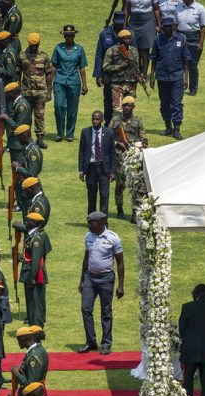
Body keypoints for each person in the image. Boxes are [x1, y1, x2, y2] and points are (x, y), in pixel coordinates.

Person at [78, 212, 124, 355]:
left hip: (106, 279)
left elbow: (120, 263)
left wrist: (121, 285)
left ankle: (106, 344)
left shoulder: (113, 238)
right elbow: (86, 259)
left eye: (91, 222)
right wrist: (82, 280)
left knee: (106, 311)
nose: (89, 225)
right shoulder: (88, 236)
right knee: (85, 308)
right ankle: (91, 342)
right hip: (90, 278)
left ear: (101, 223)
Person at [150, 17, 190, 140]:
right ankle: (168, 127)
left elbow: (186, 60)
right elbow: (154, 59)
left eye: (169, 26)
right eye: (165, 26)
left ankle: (177, 129)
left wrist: (185, 78)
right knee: (164, 104)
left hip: (177, 76)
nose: (167, 28)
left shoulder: (181, 39)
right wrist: (152, 76)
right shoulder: (158, 40)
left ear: (173, 26)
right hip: (162, 77)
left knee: (176, 103)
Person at [109, 96, 147, 220]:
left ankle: (135, 212)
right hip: (119, 158)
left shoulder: (138, 121)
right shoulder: (115, 121)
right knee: (120, 185)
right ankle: (119, 208)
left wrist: (142, 145)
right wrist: (117, 143)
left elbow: (143, 138)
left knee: (135, 186)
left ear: (133, 107)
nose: (126, 108)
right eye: (125, 105)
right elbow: (107, 138)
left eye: (129, 105)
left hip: (133, 159)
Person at [50, 25, 88, 143]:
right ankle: (60, 133)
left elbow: (82, 68)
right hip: (59, 81)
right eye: (66, 35)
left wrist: (84, 84)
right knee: (59, 106)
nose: (68, 37)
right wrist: (49, 85)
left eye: (71, 35)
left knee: (72, 108)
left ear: (74, 35)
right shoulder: (58, 48)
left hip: (74, 81)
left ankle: (70, 133)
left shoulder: (79, 49)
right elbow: (53, 67)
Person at [94, 11, 133, 126]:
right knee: (108, 101)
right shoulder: (105, 34)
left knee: (126, 102)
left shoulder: (130, 35)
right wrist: (98, 74)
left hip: (125, 77)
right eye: (117, 23)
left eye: (122, 23)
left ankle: (126, 125)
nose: (119, 26)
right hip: (109, 75)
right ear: (113, 22)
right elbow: (99, 55)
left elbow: (134, 54)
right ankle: (108, 123)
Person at [17, 33, 52, 149]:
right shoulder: (22, 56)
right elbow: (18, 72)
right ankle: (27, 139)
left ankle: (40, 139)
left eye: (35, 45)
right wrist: (17, 89)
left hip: (40, 92)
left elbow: (48, 74)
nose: (33, 47)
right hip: (26, 91)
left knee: (40, 115)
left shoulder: (44, 57)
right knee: (26, 116)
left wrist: (49, 91)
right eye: (32, 45)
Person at [78, 111, 117, 216]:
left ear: (102, 120)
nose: (95, 121)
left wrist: (113, 172)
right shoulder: (85, 132)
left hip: (104, 169)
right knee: (91, 196)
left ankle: (103, 222)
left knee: (104, 196)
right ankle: (92, 220)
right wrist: (81, 170)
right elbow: (81, 152)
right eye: (93, 119)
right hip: (90, 168)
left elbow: (112, 154)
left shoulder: (108, 133)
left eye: (97, 119)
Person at [16, 213, 50, 327]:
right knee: (31, 304)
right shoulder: (31, 235)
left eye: (28, 221)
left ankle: (37, 329)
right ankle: (33, 326)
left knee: (35, 305)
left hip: (34, 278)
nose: (26, 222)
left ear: (34, 223)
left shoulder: (36, 239)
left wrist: (31, 280)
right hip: (29, 276)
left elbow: (35, 263)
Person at [10, 326, 48, 396]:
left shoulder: (33, 356)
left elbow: (31, 384)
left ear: (23, 339)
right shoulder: (39, 349)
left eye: (18, 340)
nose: (18, 343)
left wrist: (16, 373)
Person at [102, 30, 140, 117]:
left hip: (131, 84)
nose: (127, 40)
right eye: (124, 38)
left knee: (129, 109)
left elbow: (136, 67)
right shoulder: (112, 51)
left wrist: (139, 77)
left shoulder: (134, 51)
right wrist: (119, 66)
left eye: (129, 38)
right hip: (117, 84)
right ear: (120, 39)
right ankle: (117, 129)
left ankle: (128, 129)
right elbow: (105, 67)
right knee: (117, 110)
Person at [176, 0, 205, 96]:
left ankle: (193, 89)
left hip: (194, 37)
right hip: (180, 36)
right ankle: (179, 86)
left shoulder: (200, 8)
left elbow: (203, 27)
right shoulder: (178, 7)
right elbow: (175, 24)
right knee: (179, 63)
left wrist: (201, 43)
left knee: (192, 65)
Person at [124, 0, 162, 79]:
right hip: (134, 20)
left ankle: (144, 74)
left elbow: (156, 9)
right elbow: (127, 8)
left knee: (144, 49)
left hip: (148, 20)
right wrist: (124, 23)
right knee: (134, 49)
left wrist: (159, 25)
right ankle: (137, 71)